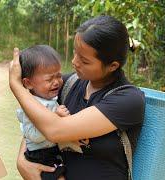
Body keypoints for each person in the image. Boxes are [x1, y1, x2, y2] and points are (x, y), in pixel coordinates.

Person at [9, 15, 145, 180]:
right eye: (75, 53)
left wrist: (16, 85)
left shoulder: (128, 100)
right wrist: (23, 158)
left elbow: (54, 130)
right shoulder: (68, 84)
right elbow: (36, 119)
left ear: (112, 66)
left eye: (85, 61)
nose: (74, 62)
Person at [17, 45, 71, 180]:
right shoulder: (31, 107)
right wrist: (55, 117)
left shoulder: (50, 98)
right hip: (40, 156)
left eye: (59, 75)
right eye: (49, 79)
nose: (57, 82)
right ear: (28, 83)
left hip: (52, 151)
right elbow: (33, 136)